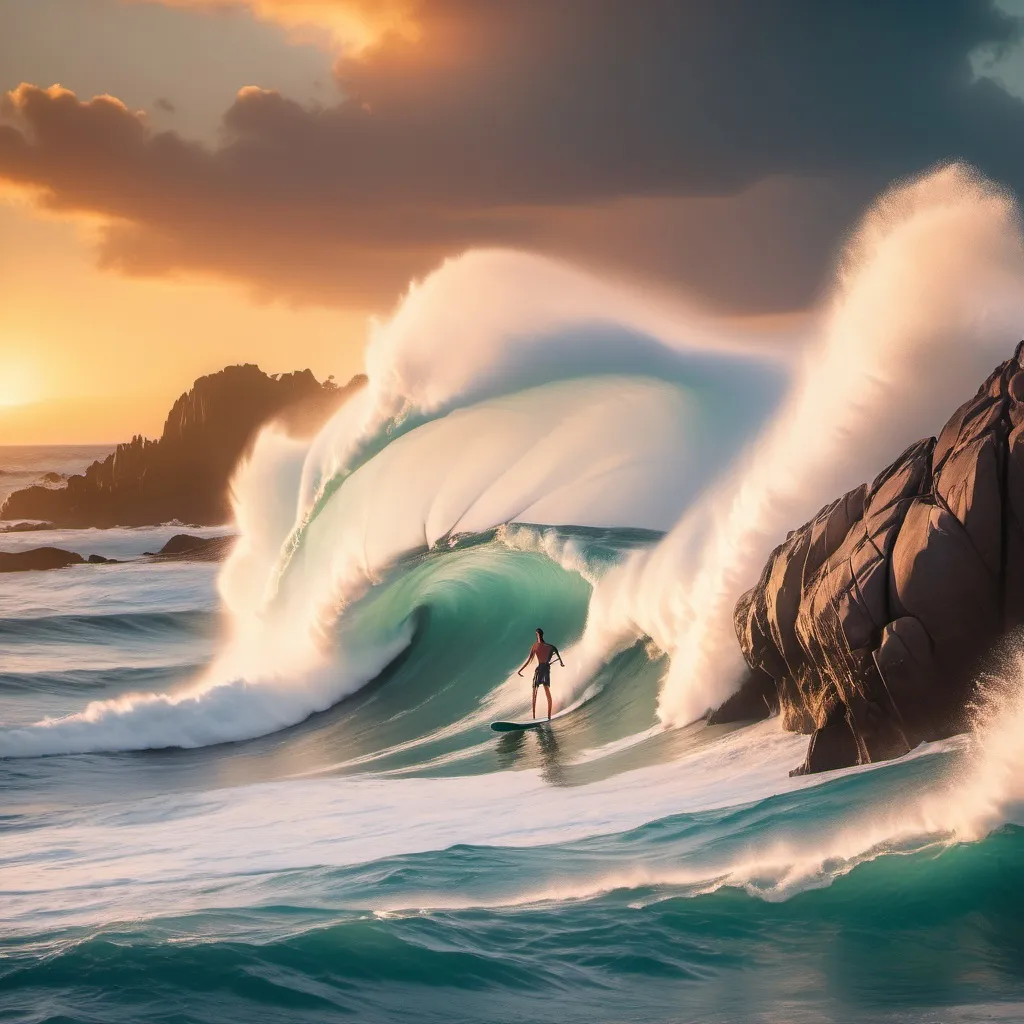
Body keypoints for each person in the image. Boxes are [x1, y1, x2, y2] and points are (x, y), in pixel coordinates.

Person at [517, 627, 564, 721]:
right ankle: (534, 718)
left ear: (541, 635)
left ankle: (549, 717)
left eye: (539, 634)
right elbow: (529, 660)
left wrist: (561, 662)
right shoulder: (534, 646)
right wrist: (520, 670)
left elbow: (556, 651)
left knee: (547, 691)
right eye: (537, 634)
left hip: (546, 669)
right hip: (539, 670)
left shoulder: (549, 646)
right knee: (534, 692)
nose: (538, 635)